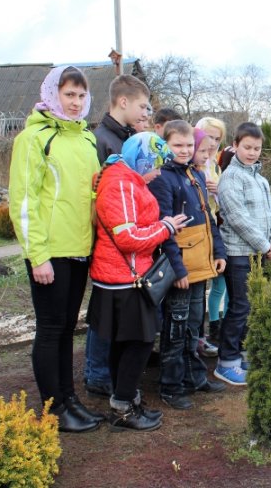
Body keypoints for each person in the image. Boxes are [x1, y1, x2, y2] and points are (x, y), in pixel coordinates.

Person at [8, 65, 103, 432]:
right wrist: (38, 256)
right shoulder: (34, 139)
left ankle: (70, 399)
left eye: (81, 95)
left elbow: (92, 193)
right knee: (50, 329)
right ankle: (54, 408)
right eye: (69, 94)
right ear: (52, 94)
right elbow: (24, 201)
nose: (76, 102)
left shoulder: (86, 138)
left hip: (80, 248)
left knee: (67, 327)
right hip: (50, 253)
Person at [88, 133, 187, 431]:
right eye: (155, 166)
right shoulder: (122, 184)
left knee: (126, 343)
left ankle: (127, 400)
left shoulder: (128, 179)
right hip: (124, 278)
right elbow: (127, 237)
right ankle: (123, 407)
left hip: (123, 275)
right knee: (140, 343)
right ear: (142, 160)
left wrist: (162, 226)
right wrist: (166, 227)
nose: (158, 173)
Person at [148, 120, 228, 409]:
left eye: (189, 145)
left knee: (195, 323)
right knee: (176, 327)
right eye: (177, 145)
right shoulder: (163, 178)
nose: (184, 150)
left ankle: (194, 376)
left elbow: (208, 219)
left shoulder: (196, 175)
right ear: (166, 146)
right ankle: (171, 386)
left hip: (201, 263)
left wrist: (218, 251)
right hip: (181, 267)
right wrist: (177, 270)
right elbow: (165, 228)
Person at [85, 74, 153, 398]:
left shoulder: (126, 137)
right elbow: (102, 195)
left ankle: (108, 374)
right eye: (142, 106)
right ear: (123, 102)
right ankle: (97, 373)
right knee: (104, 318)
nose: (145, 113)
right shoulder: (102, 141)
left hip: (123, 250)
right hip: (111, 247)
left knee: (114, 320)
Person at [214, 122, 271, 386]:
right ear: (235, 146)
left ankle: (243, 354)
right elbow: (237, 218)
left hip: (258, 253)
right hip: (238, 254)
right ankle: (226, 361)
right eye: (247, 147)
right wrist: (265, 245)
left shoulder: (260, 179)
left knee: (250, 306)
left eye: (257, 148)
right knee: (239, 306)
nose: (252, 152)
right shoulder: (231, 178)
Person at [194, 117, 228, 349]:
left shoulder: (215, 165)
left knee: (217, 283)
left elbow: (221, 202)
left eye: (217, 138)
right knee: (196, 290)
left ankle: (212, 331)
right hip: (195, 232)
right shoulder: (192, 163)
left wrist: (218, 191)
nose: (213, 142)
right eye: (209, 136)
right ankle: (198, 336)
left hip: (213, 229)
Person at [189, 127, 220, 358]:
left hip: (204, 245)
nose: (207, 155)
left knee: (197, 305)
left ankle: (196, 348)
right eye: (202, 150)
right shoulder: (178, 176)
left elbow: (208, 213)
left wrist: (218, 249)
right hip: (187, 253)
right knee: (185, 310)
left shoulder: (200, 174)